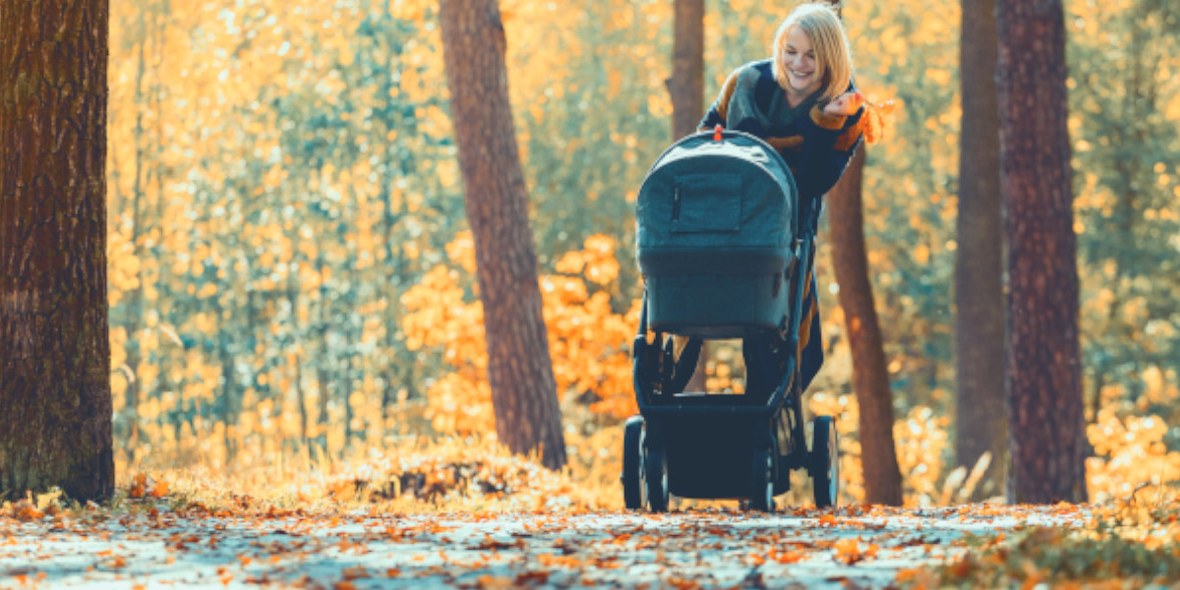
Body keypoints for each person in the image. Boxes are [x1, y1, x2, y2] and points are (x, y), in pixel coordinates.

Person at [670, 2, 866, 396]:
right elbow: (703, 139)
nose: (799, 64)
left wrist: (825, 123)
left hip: (783, 230)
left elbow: (814, 181)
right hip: (723, 214)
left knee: (775, 325)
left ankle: (763, 413)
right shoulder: (746, 84)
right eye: (790, 51)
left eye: (812, 55)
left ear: (830, 57)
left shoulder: (846, 107)